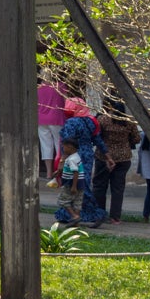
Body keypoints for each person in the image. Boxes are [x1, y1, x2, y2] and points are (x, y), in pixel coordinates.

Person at [54, 97, 107, 227]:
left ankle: (94, 214)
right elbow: (98, 140)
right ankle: (74, 215)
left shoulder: (71, 123)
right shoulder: (91, 121)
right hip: (87, 155)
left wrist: (62, 160)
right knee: (83, 184)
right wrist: (107, 155)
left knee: (75, 186)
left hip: (74, 156)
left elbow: (67, 143)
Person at [92, 106, 139, 225]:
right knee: (118, 188)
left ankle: (99, 214)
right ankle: (115, 217)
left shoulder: (103, 119)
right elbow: (136, 139)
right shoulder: (129, 121)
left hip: (103, 156)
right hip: (123, 158)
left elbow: (96, 136)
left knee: (99, 186)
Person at [36, 81, 67, 180]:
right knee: (59, 146)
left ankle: (49, 173)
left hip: (41, 119)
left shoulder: (38, 88)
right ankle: (59, 172)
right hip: (57, 118)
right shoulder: (60, 85)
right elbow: (67, 101)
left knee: (46, 146)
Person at [55, 139, 86, 225]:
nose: (63, 148)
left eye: (64, 147)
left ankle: (74, 216)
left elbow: (75, 172)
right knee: (77, 202)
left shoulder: (71, 159)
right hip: (80, 183)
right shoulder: (76, 156)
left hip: (71, 183)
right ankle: (76, 222)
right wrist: (59, 171)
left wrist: (73, 186)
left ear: (70, 147)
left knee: (63, 200)